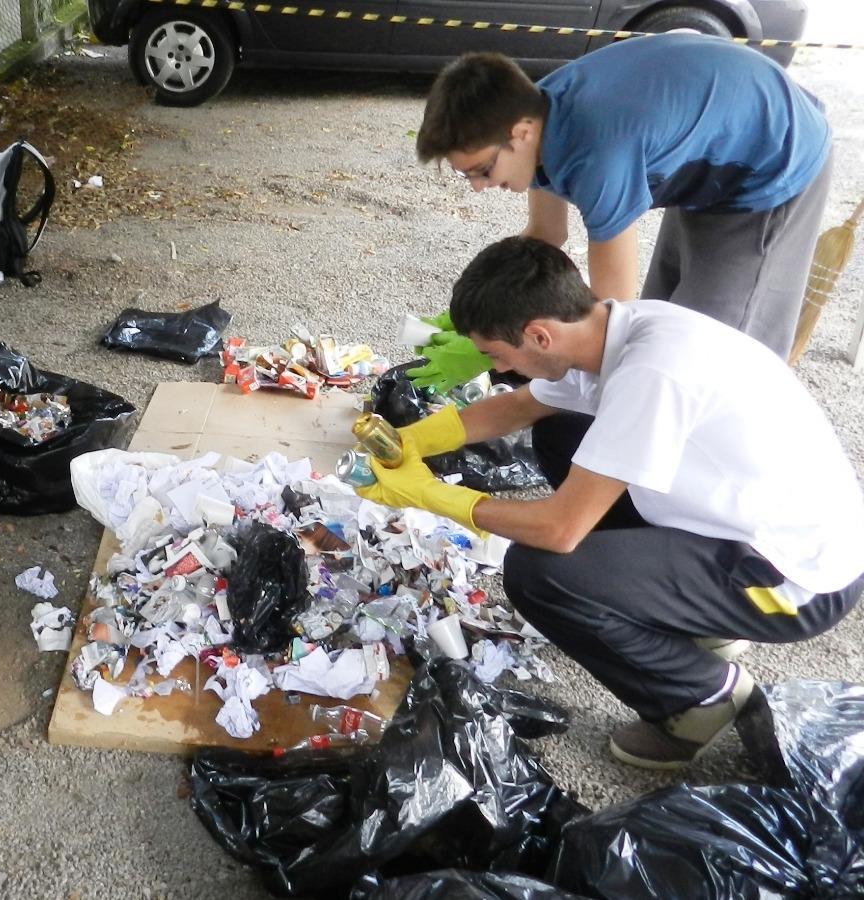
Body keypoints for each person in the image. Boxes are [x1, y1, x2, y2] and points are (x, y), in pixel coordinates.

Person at [357, 236, 864, 769]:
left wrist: (433, 495)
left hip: (796, 582)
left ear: (538, 335)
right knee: (561, 433)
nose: (496, 366)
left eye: (494, 354)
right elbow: (520, 407)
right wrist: (414, 438)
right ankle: (687, 613)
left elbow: (559, 530)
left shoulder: (654, 372)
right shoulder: (615, 328)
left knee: (541, 573)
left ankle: (699, 697)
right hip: (772, 525)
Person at [406, 32, 832, 396]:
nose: (480, 186)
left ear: (520, 133)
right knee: (665, 323)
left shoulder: (600, 154)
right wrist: (483, 321)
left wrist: (498, 350)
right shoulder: (535, 113)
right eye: (469, 177)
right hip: (712, 153)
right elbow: (546, 233)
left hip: (773, 162)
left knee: (709, 355)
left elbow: (615, 316)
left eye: (483, 170)